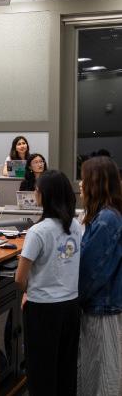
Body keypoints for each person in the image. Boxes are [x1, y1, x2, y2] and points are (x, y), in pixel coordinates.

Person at [15, 170, 82, 396]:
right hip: (71, 306)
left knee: (41, 371)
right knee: (65, 368)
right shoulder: (75, 226)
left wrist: (27, 292)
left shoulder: (38, 231)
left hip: (43, 309)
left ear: (45, 195)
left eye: (37, 189)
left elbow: (19, 278)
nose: (35, 192)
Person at [77, 156, 122, 396]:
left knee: (102, 377)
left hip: (102, 307)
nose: (81, 184)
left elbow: (90, 271)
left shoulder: (106, 219)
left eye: (84, 179)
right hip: (102, 304)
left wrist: (73, 299)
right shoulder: (106, 215)